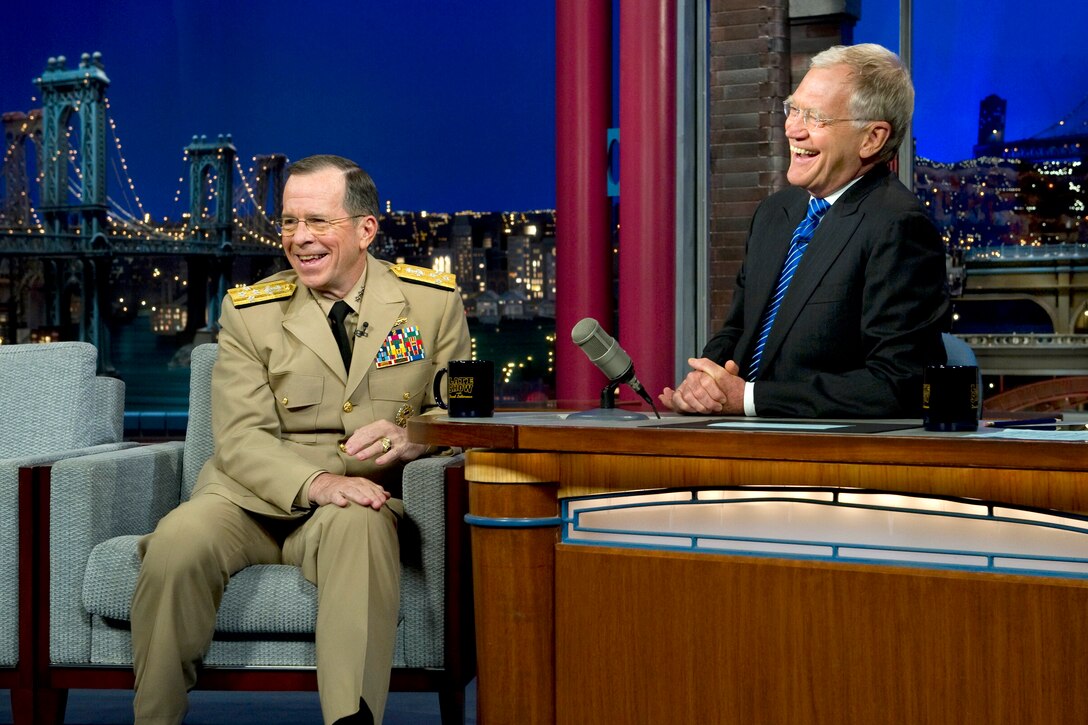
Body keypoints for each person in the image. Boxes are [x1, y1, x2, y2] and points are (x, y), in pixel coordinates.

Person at [131, 154, 471, 725]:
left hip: (359, 501)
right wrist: (318, 481)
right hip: (246, 500)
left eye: (317, 221)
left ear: (366, 230)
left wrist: (413, 437)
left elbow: (459, 411)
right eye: (289, 222)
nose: (299, 238)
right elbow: (240, 440)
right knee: (176, 541)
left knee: (363, 526)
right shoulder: (249, 313)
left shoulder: (433, 303)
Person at [661, 43, 949, 418]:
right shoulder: (775, 213)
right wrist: (703, 384)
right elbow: (738, 332)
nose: (793, 129)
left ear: (872, 139)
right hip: (740, 441)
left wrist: (749, 399)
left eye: (816, 118)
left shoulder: (898, 226)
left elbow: (899, 384)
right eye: (794, 109)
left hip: (829, 461)